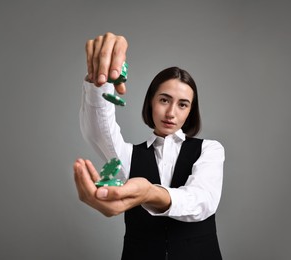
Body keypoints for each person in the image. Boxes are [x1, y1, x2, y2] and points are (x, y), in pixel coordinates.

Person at [73, 32, 225, 260]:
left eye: (182, 105)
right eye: (164, 100)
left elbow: (202, 200)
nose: (171, 113)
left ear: (190, 111)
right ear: (151, 101)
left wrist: (149, 192)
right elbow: (99, 131)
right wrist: (100, 82)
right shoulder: (128, 156)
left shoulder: (210, 150)